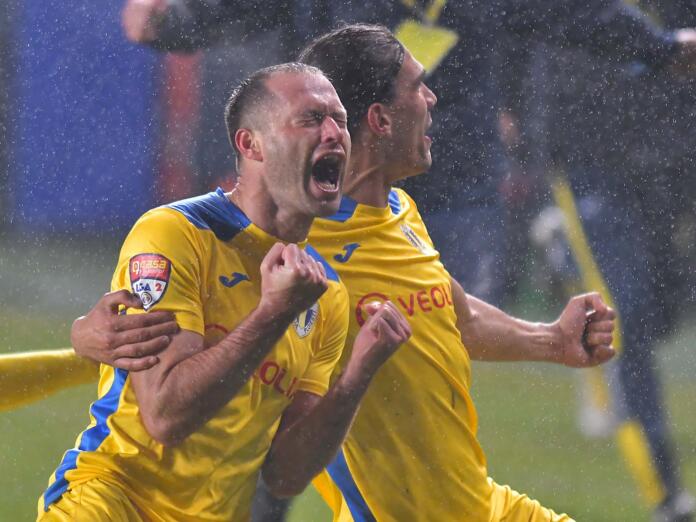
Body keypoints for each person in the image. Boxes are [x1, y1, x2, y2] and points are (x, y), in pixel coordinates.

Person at [63, 25, 616, 521]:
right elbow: (176, 353)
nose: (432, 99)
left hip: (484, 504)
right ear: (380, 119)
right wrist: (87, 336)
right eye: (418, 86)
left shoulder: (396, 214)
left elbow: (455, 313)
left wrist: (550, 340)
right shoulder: (290, 247)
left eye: (335, 120)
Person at [120, 0, 696, 309]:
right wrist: (169, 24)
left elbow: (575, 13)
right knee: (298, 361)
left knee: (433, 342)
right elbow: (235, 8)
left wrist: (660, 47)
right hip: (335, 193)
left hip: (453, 184)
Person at [37, 63, 411, 521]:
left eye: (340, 120)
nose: (335, 133)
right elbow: (166, 416)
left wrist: (356, 376)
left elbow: (285, 476)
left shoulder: (326, 294)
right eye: (311, 119)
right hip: (111, 502)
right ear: (251, 144)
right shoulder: (176, 234)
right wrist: (273, 313)